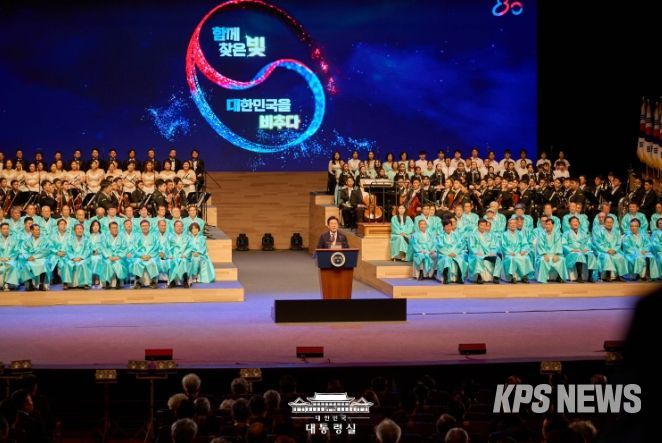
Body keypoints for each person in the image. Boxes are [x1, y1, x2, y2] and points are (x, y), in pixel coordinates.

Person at [593, 215, 628, 281]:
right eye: (607, 222)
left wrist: (614, 250)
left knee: (620, 257)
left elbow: (618, 243)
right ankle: (607, 276)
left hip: (614, 251)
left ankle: (620, 275)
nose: (609, 224)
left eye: (611, 222)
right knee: (607, 257)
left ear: (613, 223)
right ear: (604, 223)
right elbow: (597, 243)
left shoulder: (616, 231)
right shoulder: (599, 232)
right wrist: (607, 250)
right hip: (603, 251)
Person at [562, 216, 597, 283]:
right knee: (579, 255)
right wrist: (571, 249)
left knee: (591, 255)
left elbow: (588, 242)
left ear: (579, 223)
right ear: (570, 224)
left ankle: (590, 277)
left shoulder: (583, 233)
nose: (575, 223)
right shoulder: (566, 234)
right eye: (573, 221)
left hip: (583, 250)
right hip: (572, 252)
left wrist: (586, 249)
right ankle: (579, 276)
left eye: (577, 221)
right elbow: (563, 244)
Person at [467, 219, 501, 284]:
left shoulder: (490, 235)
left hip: (488, 253)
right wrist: (476, 252)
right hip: (478, 254)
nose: (482, 227)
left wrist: (492, 252)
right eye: (481, 225)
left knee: (498, 259)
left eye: (484, 225)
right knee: (478, 258)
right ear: (478, 225)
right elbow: (471, 246)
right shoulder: (472, 235)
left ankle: (496, 277)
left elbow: (494, 246)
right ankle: (479, 276)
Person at [534, 219, 568, 283]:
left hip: (555, 253)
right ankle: (543, 279)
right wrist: (544, 254)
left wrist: (556, 254)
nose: (547, 226)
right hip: (544, 254)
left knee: (562, 260)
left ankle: (560, 277)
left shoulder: (557, 234)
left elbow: (558, 244)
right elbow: (540, 245)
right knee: (542, 260)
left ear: (553, 225)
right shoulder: (541, 234)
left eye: (549, 224)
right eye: (546, 224)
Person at [500, 218, 533, 283]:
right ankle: (512, 277)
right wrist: (509, 252)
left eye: (514, 223)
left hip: (519, 253)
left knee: (526, 258)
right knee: (512, 259)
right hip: (509, 254)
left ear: (516, 225)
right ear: (508, 225)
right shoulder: (504, 234)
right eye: (511, 223)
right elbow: (504, 246)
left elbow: (525, 244)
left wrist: (523, 251)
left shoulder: (520, 234)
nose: (513, 225)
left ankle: (524, 276)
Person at [19, 224, 52, 291]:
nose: (38, 231)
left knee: (43, 264)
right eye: (36, 230)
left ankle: (41, 284)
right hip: (30, 258)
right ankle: (30, 284)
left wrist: (35, 256)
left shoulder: (45, 240)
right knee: (26, 265)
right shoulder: (27, 240)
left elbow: (46, 250)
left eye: (38, 230)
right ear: (31, 231)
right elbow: (23, 250)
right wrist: (28, 257)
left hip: (41, 258)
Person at [436, 219, 467, 284]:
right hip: (445, 254)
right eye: (447, 226)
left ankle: (459, 277)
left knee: (460, 260)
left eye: (450, 226)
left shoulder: (456, 235)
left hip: (455, 253)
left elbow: (459, 245)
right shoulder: (440, 236)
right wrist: (448, 253)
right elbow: (439, 247)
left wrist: (455, 252)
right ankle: (446, 277)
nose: (448, 228)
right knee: (446, 259)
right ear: (444, 227)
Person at [62, 224, 92, 290]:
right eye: (77, 229)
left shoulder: (87, 240)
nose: (79, 230)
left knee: (83, 263)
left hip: (83, 258)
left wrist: (81, 258)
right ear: (74, 230)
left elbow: (88, 250)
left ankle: (85, 283)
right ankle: (66, 283)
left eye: (81, 229)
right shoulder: (70, 239)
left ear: (83, 230)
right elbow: (68, 250)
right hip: (72, 258)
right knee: (67, 263)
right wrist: (73, 258)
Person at [132, 220, 160, 288]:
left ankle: (153, 281)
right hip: (141, 256)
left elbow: (157, 247)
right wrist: (141, 255)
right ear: (140, 227)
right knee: (137, 263)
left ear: (149, 226)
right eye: (143, 226)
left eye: (146, 225)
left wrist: (150, 256)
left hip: (151, 256)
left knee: (153, 262)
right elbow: (134, 248)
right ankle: (138, 282)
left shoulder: (154, 236)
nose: (145, 227)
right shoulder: (136, 236)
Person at [101, 221, 128, 289]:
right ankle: (107, 282)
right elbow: (103, 248)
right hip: (109, 257)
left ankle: (118, 281)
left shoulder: (122, 237)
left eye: (116, 228)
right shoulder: (105, 237)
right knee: (107, 263)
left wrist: (118, 256)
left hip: (118, 257)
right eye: (113, 228)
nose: (115, 229)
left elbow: (125, 248)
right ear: (109, 229)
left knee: (118, 263)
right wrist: (109, 256)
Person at [168, 220, 192, 288]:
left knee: (183, 261)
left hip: (183, 255)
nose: (179, 228)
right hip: (174, 255)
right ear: (174, 227)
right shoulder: (170, 237)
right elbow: (167, 247)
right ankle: (172, 281)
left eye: (180, 226)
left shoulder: (187, 237)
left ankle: (185, 280)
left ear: (182, 227)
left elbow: (190, 247)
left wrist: (185, 254)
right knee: (171, 261)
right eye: (177, 226)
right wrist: (170, 255)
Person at [0, 222, 21, 291]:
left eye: (7, 229)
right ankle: (2, 284)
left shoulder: (14, 239)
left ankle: (7, 284)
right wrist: (1, 258)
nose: (6, 230)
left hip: (10, 259)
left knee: (12, 265)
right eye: (4, 229)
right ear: (0, 230)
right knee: (2, 267)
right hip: (0, 260)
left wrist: (9, 258)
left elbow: (17, 250)